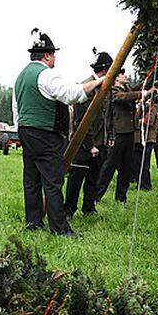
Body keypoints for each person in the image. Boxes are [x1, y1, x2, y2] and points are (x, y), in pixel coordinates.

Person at [13, 30, 104, 237]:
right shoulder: (46, 74)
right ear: (46, 55)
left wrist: (22, 130)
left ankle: (33, 223)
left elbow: (16, 110)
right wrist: (96, 83)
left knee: (31, 180)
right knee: (53, 181)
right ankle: (60, 228)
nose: (54, 58)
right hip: (45, 134)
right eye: (53, 55)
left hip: (26, 131)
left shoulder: (20, 77)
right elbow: (71, 94)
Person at [66, 51, 112, 216]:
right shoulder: (86, 85)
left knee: (94, 177)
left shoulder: (107, 87)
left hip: (100, 141)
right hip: (83, 142)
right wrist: (90, 145)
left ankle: (89, 208)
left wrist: (108, 138)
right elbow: (81, 120)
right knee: (76, 177)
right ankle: (69, 210)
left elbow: (106, 116)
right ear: (106, 70)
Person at [94, 70, 148, 204]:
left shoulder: (127, 89)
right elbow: (122, 97)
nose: (126, 76)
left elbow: (132, 93)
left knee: (126, 167)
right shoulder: (112, 91)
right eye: (122, 74)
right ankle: (96, 196)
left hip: (129, 133)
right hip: (117, 134)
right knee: (109, 167)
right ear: (116, 78)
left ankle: (121, 198)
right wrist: (142, 94)